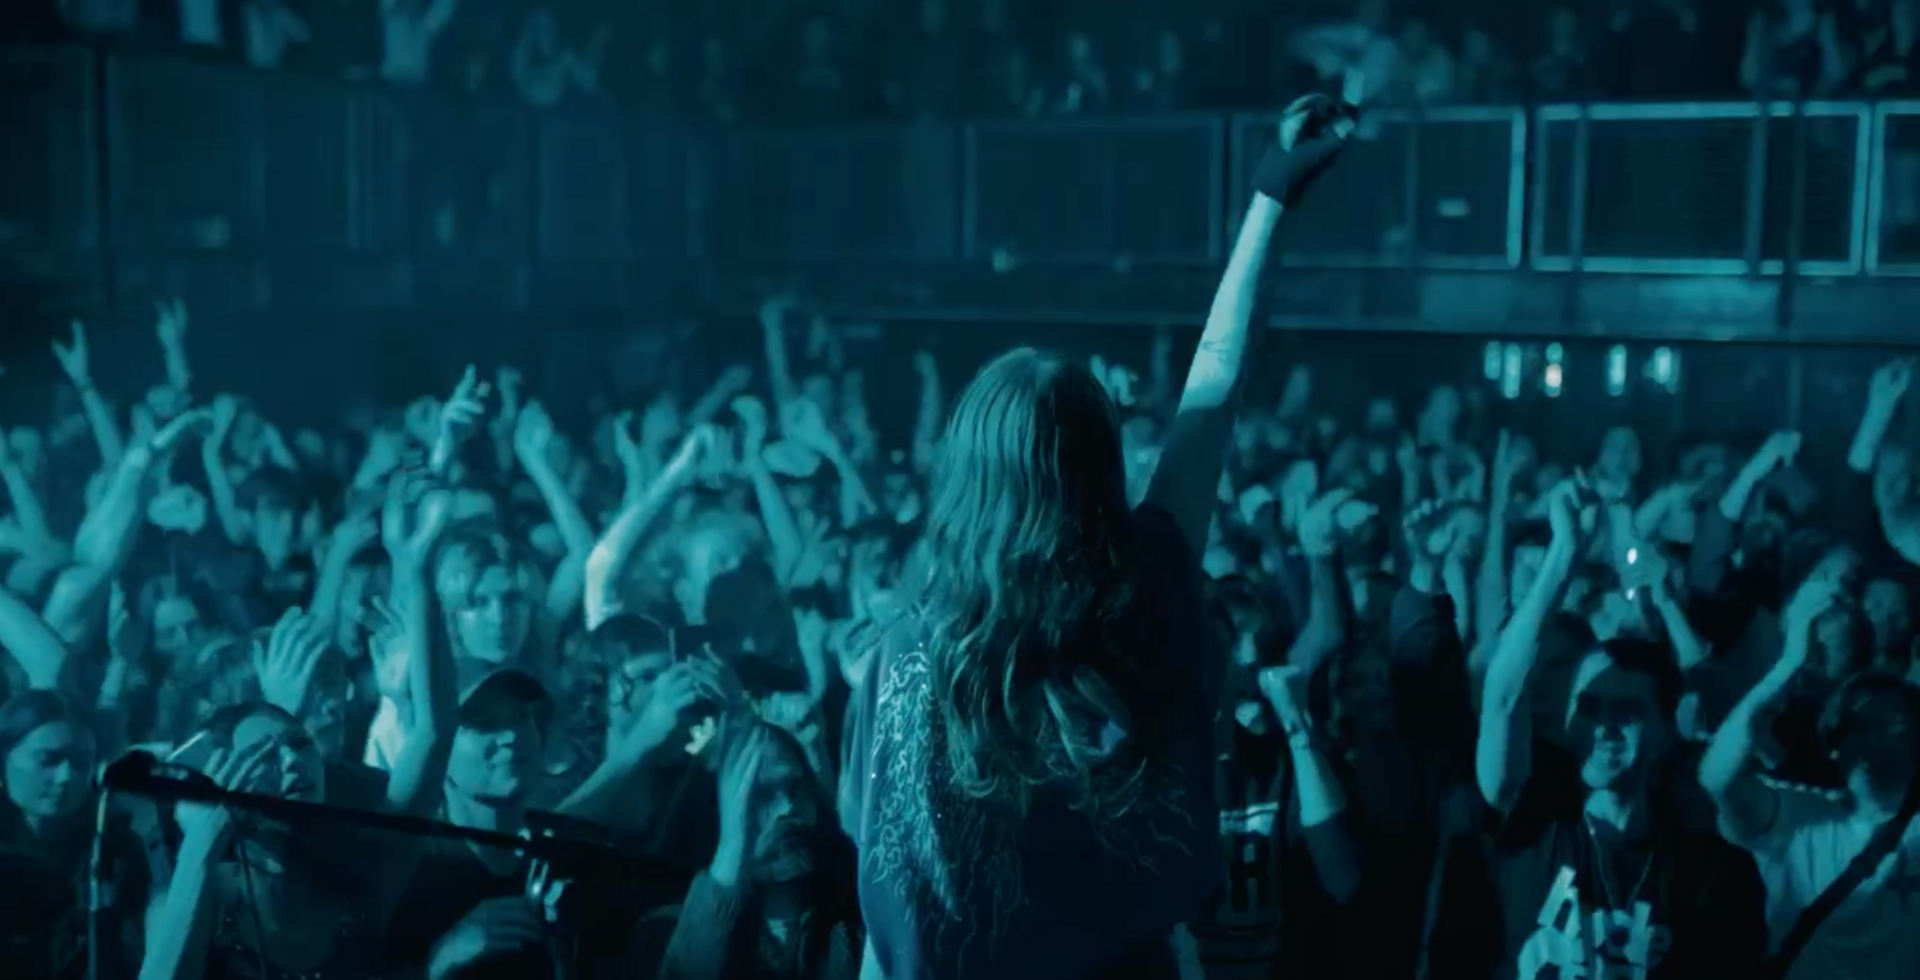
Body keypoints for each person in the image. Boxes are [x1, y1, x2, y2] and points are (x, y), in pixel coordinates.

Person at [839, 92, 1356, 980]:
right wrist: (1271, 195)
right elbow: (1216, 381)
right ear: (1101, 466)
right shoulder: (1148, 590)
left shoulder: (904, 657)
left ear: (966, 476)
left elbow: (890, 903)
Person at [1426, 478, 1770, 979]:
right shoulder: (1533, 820)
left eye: (1627, 711)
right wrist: (1563, 554)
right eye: (1590, 708)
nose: (1605, 727)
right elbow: (1501, 695)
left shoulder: (1710, 873)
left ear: (1665, 730)